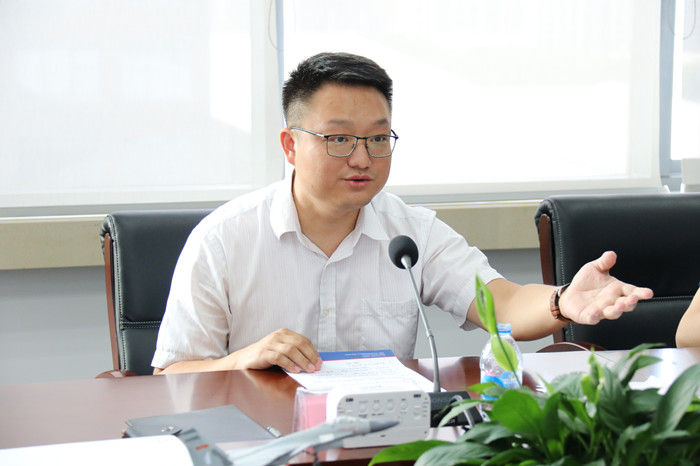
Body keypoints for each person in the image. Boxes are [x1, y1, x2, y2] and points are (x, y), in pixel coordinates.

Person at [152, 52, 653, 375]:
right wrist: (243, 359)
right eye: (339, 138)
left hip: (384, 438)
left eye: (377, 138)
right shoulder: (223, 240)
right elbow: (171, 375)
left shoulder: (412, 234)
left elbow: (503, 303)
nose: (362, 158)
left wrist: (563, 301)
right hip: (259, 438)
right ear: (290, 146)